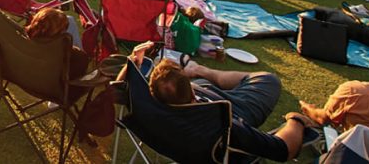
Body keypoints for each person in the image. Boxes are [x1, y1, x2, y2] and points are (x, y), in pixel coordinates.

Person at [126, 42, 315, 161]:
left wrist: (134, 62)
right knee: (268, 79)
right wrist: (295, 120)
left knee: (204, 83)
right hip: (229, 111)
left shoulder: (144, 102)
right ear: (191, 94)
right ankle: (202, 72)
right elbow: (283, 150)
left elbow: (120, 84)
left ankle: (201, 73)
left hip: (205, 102)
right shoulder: (225, 127)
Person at [300, 48, 369, 134]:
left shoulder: (354, 91)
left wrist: (309, 109)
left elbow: (324, 119)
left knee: (295, 121)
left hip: (352, 146)